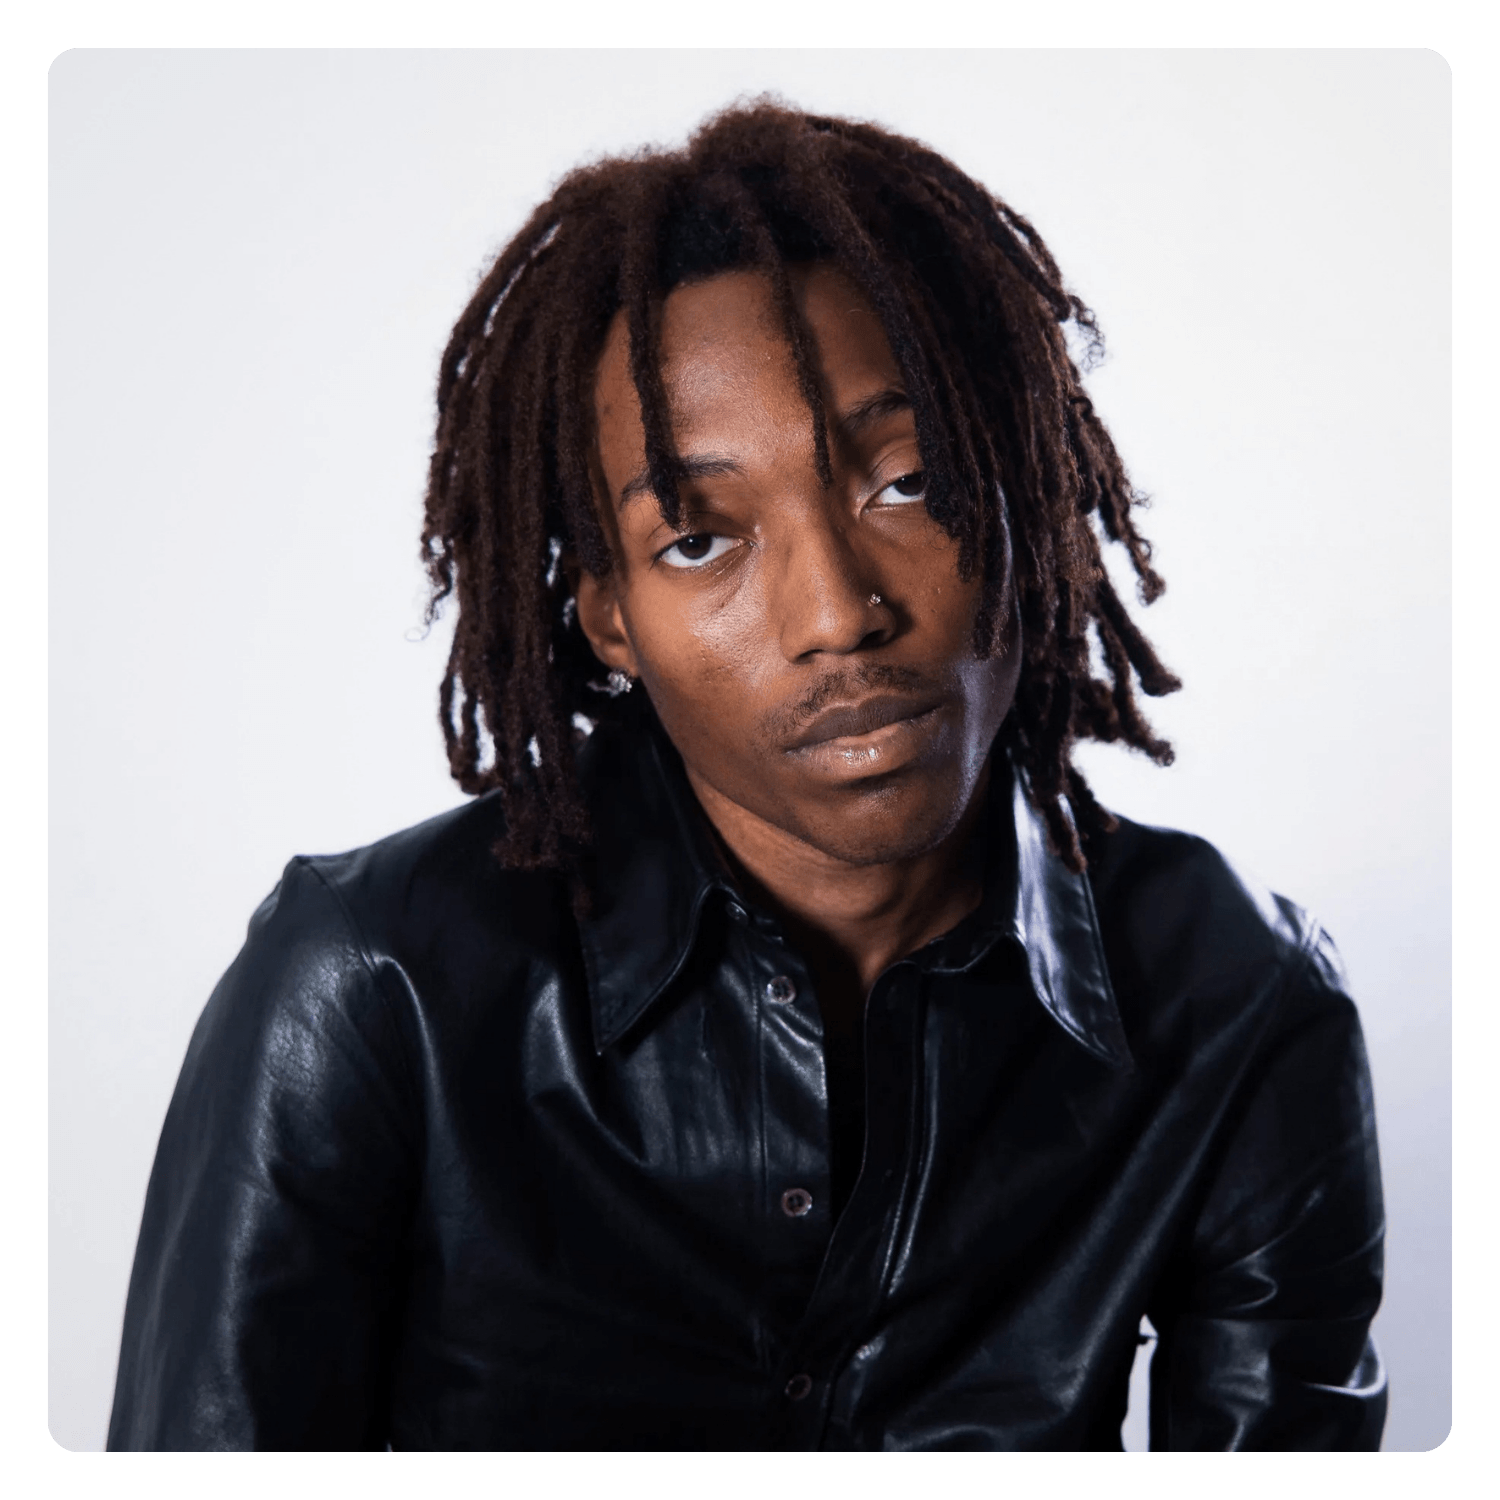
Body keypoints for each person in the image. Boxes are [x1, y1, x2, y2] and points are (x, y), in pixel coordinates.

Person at [107, 102, 1385, 1452]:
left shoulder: (1240, 1001)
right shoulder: (370, 996)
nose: (836, 611)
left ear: (1027, 490)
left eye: (907, 482)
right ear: (609, 619)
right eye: (700, 540)